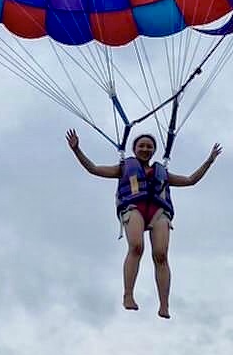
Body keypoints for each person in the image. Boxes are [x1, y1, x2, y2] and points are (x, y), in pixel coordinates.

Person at [65, 128, 223, 318]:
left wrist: (210, 160)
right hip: (134, 207)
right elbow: (94, 169)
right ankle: (128, 295)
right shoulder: (124, 168)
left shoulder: (162, 172)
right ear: (134, 148)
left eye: (149, 146)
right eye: (142, 145)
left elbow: (191, 180)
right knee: (137, 247)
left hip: (158, 211)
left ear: (154, 150)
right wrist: (77, 150)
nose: (145, 149)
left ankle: (164, 304)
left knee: (161, 255)